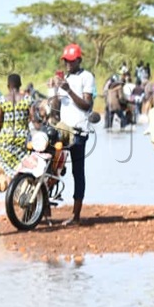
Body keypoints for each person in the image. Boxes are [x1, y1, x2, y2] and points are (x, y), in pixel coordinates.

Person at [50, 44, 96, 226]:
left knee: (78, 172)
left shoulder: (87, 77)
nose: (67, 64)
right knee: (49, 164)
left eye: (70, 61)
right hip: (63, 129)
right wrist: (56, 89)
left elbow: (87, 105)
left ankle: (76, 216)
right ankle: (44, 207)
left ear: (78, 60)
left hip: (78, 131)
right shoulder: (65, 79)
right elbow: (56, 109)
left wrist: (68, 90)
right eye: (65, 61)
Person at [0, 73, 31, 176]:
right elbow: (33, 120)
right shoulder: (27, 99)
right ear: (20, 84)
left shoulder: (1, 101)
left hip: (5, 140)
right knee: (22, 170)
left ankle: (10, 189)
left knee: (7, 173)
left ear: (8, 85)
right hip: (23, 140)